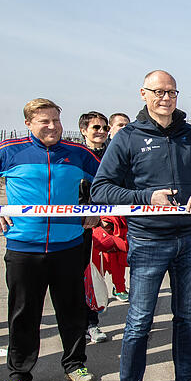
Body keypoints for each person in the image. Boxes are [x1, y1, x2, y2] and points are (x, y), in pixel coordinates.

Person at [91, 70, 191, 381]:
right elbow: (101, 189)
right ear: (144, 94)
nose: (166, 98)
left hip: (189, 238)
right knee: (139, 323)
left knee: (187, 316)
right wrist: (145, 197)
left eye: (172, 92)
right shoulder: (128, 137)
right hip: (147, 240)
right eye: (159, 91)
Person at [0, 98, 101, 381]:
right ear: (28, 123)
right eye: (45, 121)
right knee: (23, 313)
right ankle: (19, 375)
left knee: (72, 310)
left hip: (69, 245)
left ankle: (75, 364)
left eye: (56, 120)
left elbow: (108, 179)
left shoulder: (77, 153)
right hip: (23, 246)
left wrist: (95, 208)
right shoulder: (10, 150)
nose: (53, 126)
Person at [79, 111, 111, 344]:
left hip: (105, 223)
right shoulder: (76, 155)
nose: (101, 132)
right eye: (96, 127)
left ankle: (92, 323)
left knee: (95, 277)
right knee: (77, 276)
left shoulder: (112, 154)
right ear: (84, 131)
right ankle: (78, 325)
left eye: (104, 128)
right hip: (79, 225)